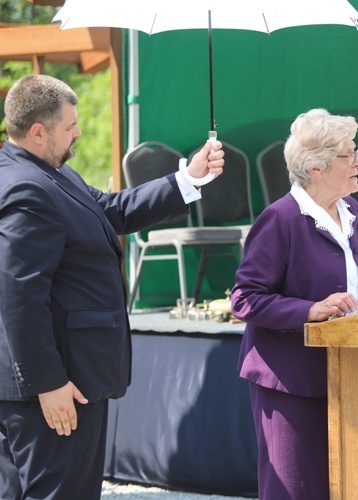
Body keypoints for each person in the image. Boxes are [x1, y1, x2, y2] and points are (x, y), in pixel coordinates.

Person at [0, 74, 225, 499]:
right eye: (71, 126)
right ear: (37, 132)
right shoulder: (27, 187)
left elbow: (111, 210)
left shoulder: (50, 172)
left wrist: (188, 179)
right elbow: (19, 296)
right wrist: (49, 384)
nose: (79, 132)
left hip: (63, 379)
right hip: (56, 386)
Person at [231, 108, 358, 499]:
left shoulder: (352, 210)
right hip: (291, 382)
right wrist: (309, 311)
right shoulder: (280, 219)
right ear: (316, 168)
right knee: (296, 488)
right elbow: (245, 298)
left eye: (356, 152)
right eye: (347, 155)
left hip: (349, 372)